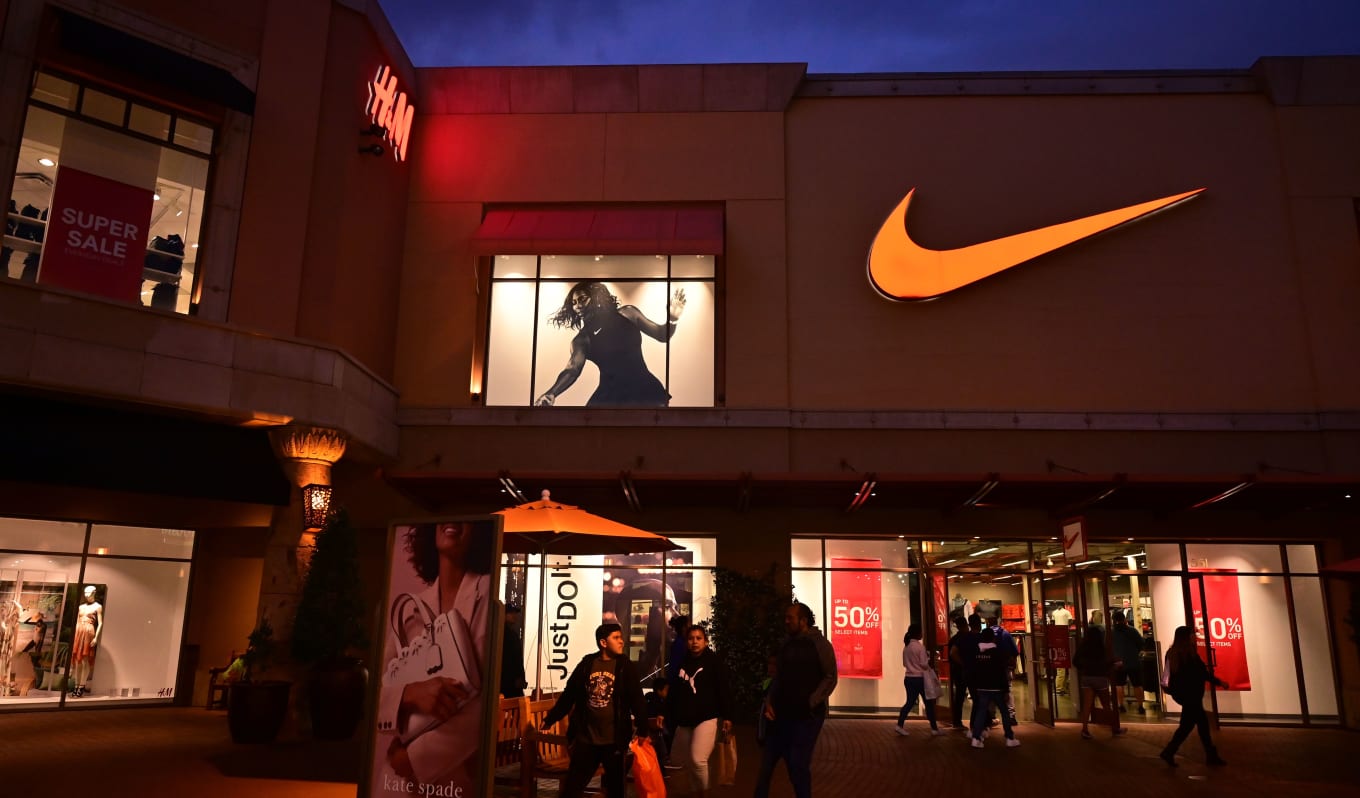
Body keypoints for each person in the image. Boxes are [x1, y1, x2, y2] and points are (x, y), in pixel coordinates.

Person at [377, 522, 494, 789]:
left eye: (466, 517)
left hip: (455, 777)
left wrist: (413, 759)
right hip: (397, 781)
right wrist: (409, 693)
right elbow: (377, 694)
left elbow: (486, 703)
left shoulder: (488, 595)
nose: (452, 521)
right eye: (444, 516)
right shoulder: (407, 610)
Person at [536, 623, 648, 798]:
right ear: (603, 643)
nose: (621, 642)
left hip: (614, 741)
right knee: (572, 788)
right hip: (587, 739)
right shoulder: (588, 664)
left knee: (615, 790)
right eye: (616, 638)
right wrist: (551, 718)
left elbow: (637, 698)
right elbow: (569, 694)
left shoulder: (625, 666)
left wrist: (643, 727)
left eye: (621, 637)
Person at [535, 281, 686, 407]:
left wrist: (672, 319)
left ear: (596, 298)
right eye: (574, 303)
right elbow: (572, 369)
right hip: (609, 395)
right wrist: (551, 393)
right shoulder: (582, 340)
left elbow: (661, 335)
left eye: (582, 299)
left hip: (644, 388)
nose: (578, 306)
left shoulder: (628, 314)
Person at [754, 602, 837, 798]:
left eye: (790, 618)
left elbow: (830, 676)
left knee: (798, 764)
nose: (786, 621)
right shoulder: (786, 644)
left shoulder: (820, 645)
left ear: (803, 621)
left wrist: (811, 702)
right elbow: (779, 676)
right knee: (767, 765)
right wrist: (769, 700)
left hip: (807, 717)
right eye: (786, 617)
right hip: (781, 714)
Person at [662, 624, 733, 798]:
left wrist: (728, 716)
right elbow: (674, 690)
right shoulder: (682, 661)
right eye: (691, 638)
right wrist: (664, 713)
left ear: (706, 641)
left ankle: (704, 793)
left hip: (707, 717)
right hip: (685, 719)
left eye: (699, 638)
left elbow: (724, 689)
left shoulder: (714, 662)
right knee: (688, 762)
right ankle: (697, 793)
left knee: (698, 759)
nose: (695, 642)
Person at [1160, 625, 1228, 767]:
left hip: (1183, 695)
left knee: (1192, 726)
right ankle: (1208, 756)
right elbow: (1201, 673)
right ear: (1186, 637)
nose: (1195, 637)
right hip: (1192, 695)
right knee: (1195, 726)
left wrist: (1167, 687)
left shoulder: (1171, 653)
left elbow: (1167, 672)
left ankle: (1171, 751)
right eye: (1192, 634)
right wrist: (1218, 682)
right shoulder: (1189, 654)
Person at [966, 628, 1019, 749]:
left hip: (982, 687)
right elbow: (1002, 672)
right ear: (993, 638)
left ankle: (976, 737)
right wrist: (1005, 689)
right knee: (1004, 712)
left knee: (981, 711)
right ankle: (1009, 738)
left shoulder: (977, 653)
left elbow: (973, 670)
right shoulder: (998, 652)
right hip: (997, 688)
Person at [1072, 626, 1124, 739]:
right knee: (1106, 705)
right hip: (1100, 678)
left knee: (1087, 706)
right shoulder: (1101, 647)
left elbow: (1075, 661)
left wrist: (1084, 669)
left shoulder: (1083, 647)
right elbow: (1105, 663)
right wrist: (1114, 665)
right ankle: (1115, 728)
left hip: (1087, 677)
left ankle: (1084, 729)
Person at [894, 623, 940, 736]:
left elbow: (904, 664)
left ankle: (900, 724)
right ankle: (934, 728)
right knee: (928, 703)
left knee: (909, 702)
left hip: (909, 678)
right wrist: (928, 660)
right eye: (921, 632)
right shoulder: (920, 647)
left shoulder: (906, 647)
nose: (922, 634)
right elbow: (924, 664)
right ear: (917, 633)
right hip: (920, 678)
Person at [1109, 610, 1145, 715]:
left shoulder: (1111, 632)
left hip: (1118, 662)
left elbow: (1107, 646)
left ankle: (1121, 705)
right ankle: (1140, 706)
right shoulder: (1132, 631)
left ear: (1113, 620)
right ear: (1124, 619)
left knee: (1119, 684)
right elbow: (1141, 643)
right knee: (1137, 684)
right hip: (1133, 661)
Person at [70, 586, 103, 698]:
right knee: (77, 661)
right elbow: (77, 621)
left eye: (89, 592)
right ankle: (76, 685)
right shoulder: (81, 607)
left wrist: (96, 638)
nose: (86, 594)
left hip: (89, 633)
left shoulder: (98, 606)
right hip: (79, 633)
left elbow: (100, 623)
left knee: (85, 661)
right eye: (85, 592)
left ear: (94, 593)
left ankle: (81, 686)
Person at [946, 616, 974, 732]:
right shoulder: (966, 638)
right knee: (976, 695)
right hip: (966, 671)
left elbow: (950, 655)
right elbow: (953, 654)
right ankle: (977, 722)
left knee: (959, 696)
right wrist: (964, 664)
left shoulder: (954, 639)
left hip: (957, 671)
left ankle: (957, 720)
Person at [499, 603, 527, 698]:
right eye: (511, 613)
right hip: (509, 684)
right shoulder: (507, 635)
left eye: (515, 613)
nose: (514, 615)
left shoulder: (509, 634)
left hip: (510, 683)